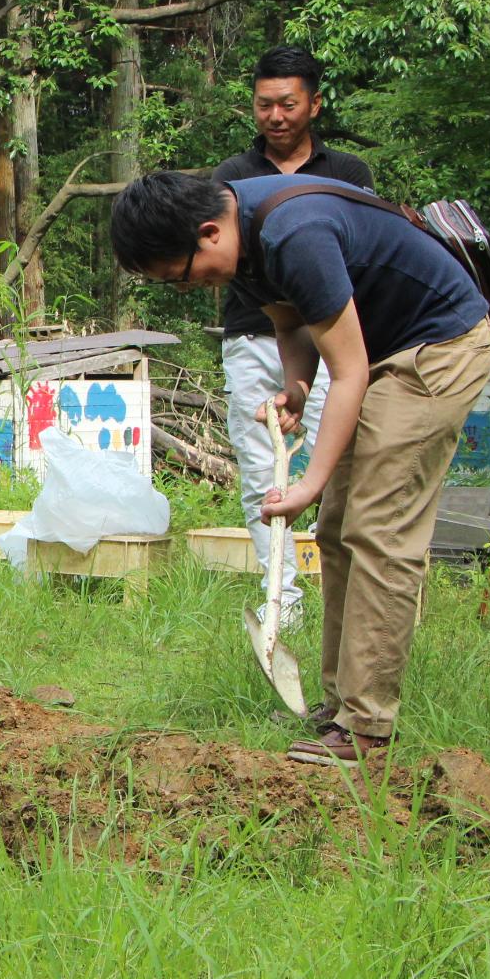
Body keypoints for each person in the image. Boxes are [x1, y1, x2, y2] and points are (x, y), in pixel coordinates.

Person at [111, 170, 490, 767]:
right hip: (380, 350)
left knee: (378, 529)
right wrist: (294, 387)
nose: (190, 289)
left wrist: (310, 482)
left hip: (434, 348)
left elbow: (351, 373)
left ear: (208, 232)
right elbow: (290, 323)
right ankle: (342, 705)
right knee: (339, 530)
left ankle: (367, 727)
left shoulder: (295, 234)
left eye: (181, 277)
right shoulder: (243, 245)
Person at [210, 46, 375, 627]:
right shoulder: (232, 176)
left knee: (338, 465)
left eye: (287, 104)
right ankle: (280, 599)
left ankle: (346, 599)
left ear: (313, 103)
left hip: (334, 340)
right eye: (264, 105)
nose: (275, 116)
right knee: (261, 470)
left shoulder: (349, 174)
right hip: (254, 336)